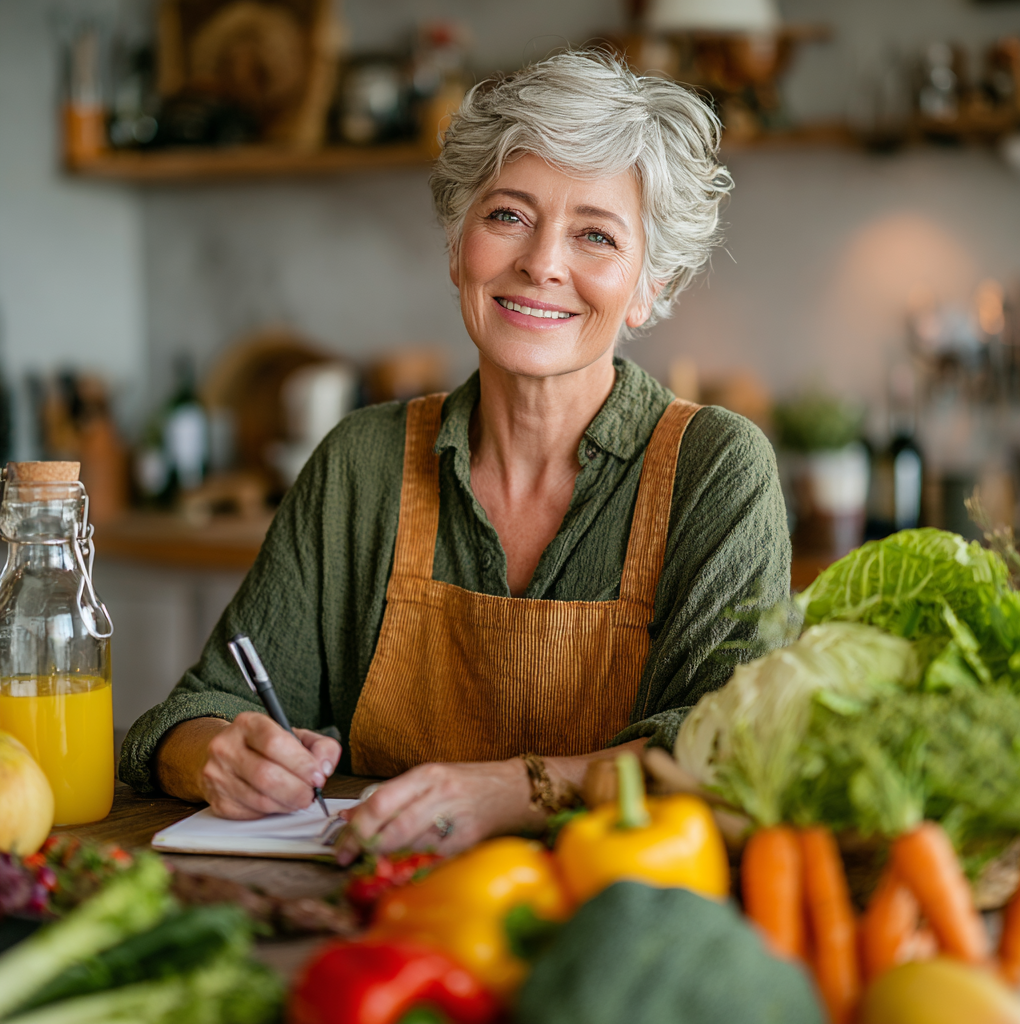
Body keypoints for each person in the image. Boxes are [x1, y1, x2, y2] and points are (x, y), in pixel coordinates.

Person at [120, 50, 791, 864]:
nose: (542, 262)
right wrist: (215, 755)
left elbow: (722, 754)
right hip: (370, 923)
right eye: (508, 215)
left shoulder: (715, 468)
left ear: (650, 286)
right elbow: (203, 706)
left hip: (614, 919)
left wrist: (508, 790)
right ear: (456, 242)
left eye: (595, 234)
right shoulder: (363, 464)